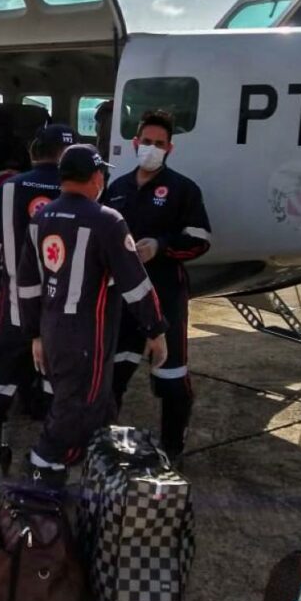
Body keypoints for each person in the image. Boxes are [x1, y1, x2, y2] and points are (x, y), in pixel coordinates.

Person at [17, 144, 168, 489]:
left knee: (99, 408)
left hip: (53, 329)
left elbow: (27, 284)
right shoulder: (106, 220)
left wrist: (35, 335)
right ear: (97, 177)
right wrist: (156, 329)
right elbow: (135, 283)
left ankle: (100, 478)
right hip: (86, 335)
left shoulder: (41, 218)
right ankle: (40, 473)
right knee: (74, 410)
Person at [0, 123, 74, 501]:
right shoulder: (80, 192)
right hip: (61, 316)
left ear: (33, 151)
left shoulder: (9, 189)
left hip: (15, 311)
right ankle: (46, 478)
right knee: (56, 400)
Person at [102, 110, 212, 458]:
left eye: (159, 144)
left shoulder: (183, 189)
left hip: (165, 298)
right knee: (113, 376)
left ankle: (172, 449)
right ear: (135, 143)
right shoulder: (117, 188)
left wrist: (161, 246)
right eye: (146, 142)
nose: (151, 148)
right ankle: (105, 446)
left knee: (172, 378)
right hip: (122, 299)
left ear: (170, 149)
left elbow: (200, 239)